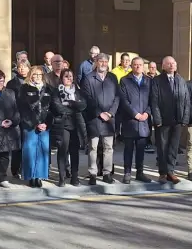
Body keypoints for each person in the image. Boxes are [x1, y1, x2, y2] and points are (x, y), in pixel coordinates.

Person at [80, 53, 119, 185]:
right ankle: (93, 173)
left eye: (105, 62)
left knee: (108, 147)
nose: (103, 64)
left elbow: (117, 97)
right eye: (101, 61)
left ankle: (107, 173)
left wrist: (111, 113)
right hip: (94, 118)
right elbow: (87, 98)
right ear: (96, 62)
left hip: (109, 119)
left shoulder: (112, 77)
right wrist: (99, 113)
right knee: (93, 147)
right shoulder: (88, 78)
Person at [150, 56, 190, 183]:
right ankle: (162, 173)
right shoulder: (157, 81)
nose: (171, 65)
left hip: (177, 119)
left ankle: (170, 172)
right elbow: (154, 101)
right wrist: (157, 119)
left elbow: (186, 100)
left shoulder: (181, 80)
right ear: (163, 66)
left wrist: (185, 118)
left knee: (173, 147)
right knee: (162, 147)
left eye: (173, 63)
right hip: (163, 120)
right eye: (168, 63)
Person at [119, 57, 152, 184]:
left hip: (144, 121)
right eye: (135, 65)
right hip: (130, 121)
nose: (138, 67)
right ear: (131, 66)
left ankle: (140, 173)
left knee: (141, 150)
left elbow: (152, 100)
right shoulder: (124, 80)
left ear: (143, 66)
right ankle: (127, 173)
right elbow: (124, 100)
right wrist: (135, 114)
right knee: (128, 149)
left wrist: (147, 113)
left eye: (140, 65)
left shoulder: (149, 81)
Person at [18, 66, 53, 188]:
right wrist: (34, 123)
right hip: (30, 125)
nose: (37, 77)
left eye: (40, 75)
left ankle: (39, 176)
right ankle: (31, 177)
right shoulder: (24, 88)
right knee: (30, 150)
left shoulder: (48, 89)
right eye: (35, 74)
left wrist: (46, 123)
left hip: (44, 126)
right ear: (30, 76)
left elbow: (52, 108)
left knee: (43, 151)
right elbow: (22, 108)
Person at [51, 68, 87, 186]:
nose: (69, 78)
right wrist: (74, 108)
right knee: (63, 151)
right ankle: (62, 177)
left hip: (76, 125)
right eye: (66, 76)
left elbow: (83, 105)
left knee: (74, 152)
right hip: (63, 125)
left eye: (70, 76)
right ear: (61, 78)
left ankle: (75, 177)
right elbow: (58, 107)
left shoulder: (78, 91)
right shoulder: (56, 91)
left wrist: (71, 103)